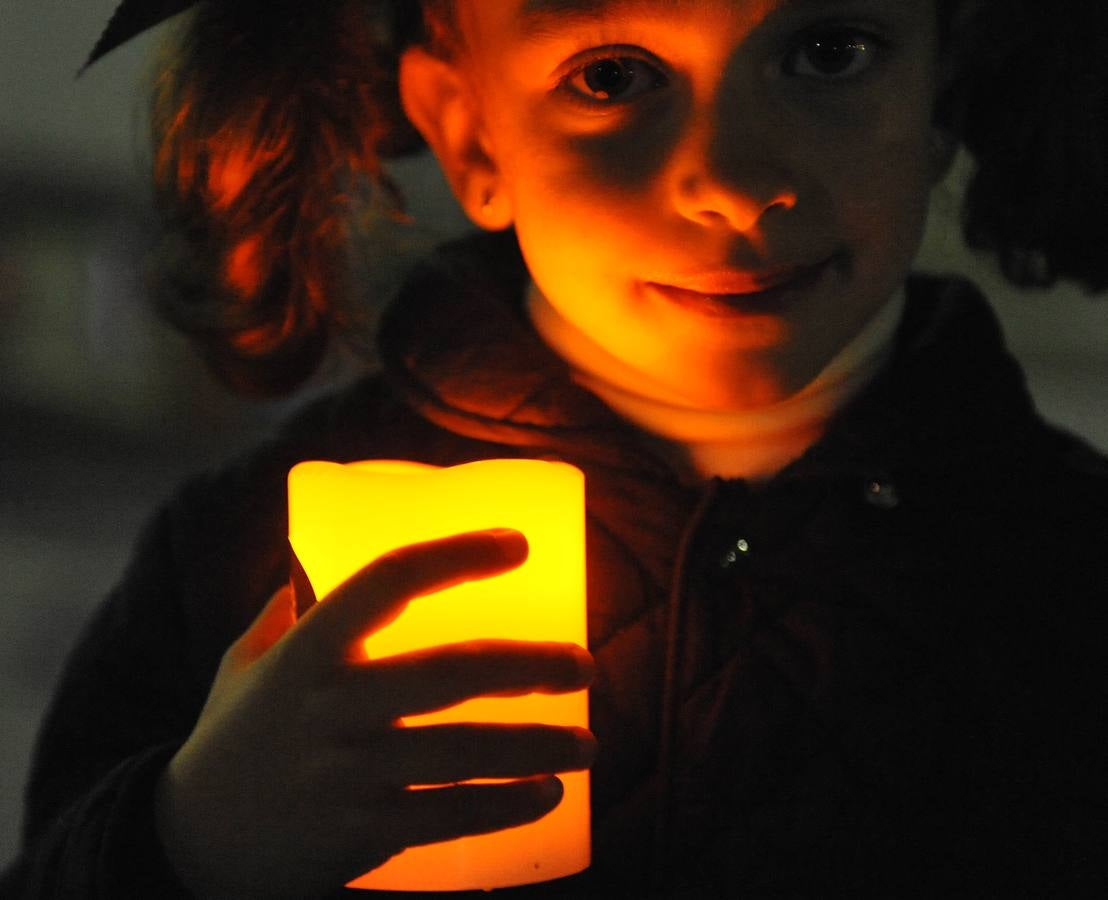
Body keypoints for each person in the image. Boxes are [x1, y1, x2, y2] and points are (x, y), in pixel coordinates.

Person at [4, 0, 1107, 896]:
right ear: (469, 132)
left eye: (827, 52)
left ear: (940, 95)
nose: (728, 181)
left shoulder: (1067, 564)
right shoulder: (238, 556)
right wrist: (186, 845)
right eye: (611, 76)